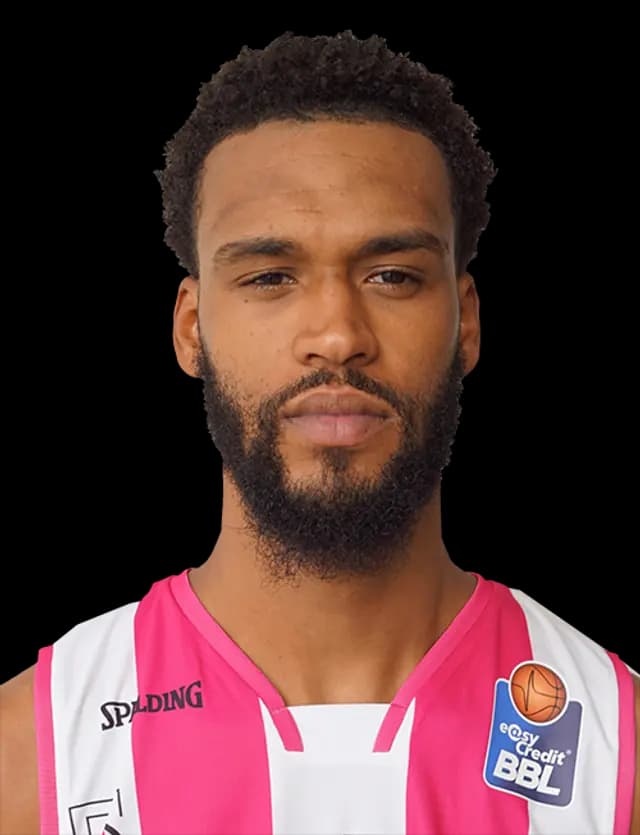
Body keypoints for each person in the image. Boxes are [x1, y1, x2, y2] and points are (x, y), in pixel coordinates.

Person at [1, 29, 638, 835]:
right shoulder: (30, 754)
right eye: (271, 276)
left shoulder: (617, 748)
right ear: (192, 328)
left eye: (392, 275)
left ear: (466, 321)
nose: (337, 335)